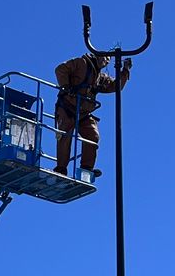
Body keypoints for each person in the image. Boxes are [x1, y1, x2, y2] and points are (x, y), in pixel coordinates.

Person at [52, 51, 130, 180]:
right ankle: (61, 169)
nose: (105, 62)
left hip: (83, 112)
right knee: (65, 136)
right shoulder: (80, 63)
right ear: (97, 56)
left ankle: (86, 169)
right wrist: (65, 86)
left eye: (107, 61)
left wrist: (125, 71)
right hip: (67, 107)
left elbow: (115, 86)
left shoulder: (100, 77)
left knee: (92, 136)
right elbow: (60, 69)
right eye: (104, 58)